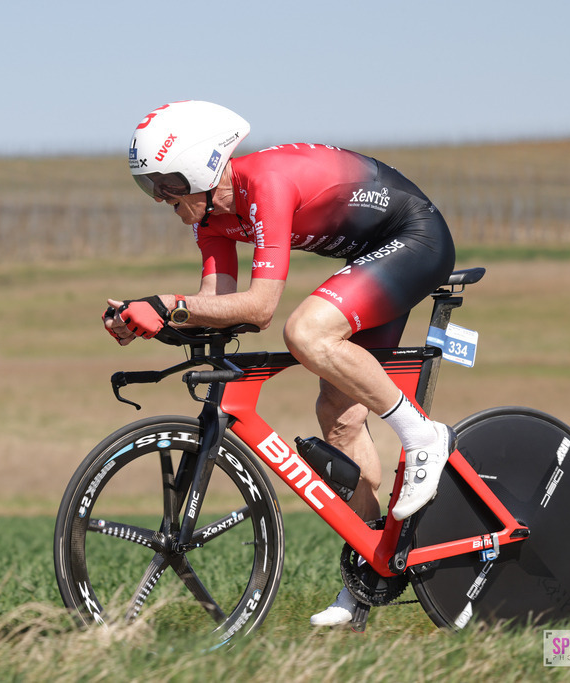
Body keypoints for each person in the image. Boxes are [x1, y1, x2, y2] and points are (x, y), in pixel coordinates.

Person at [103, 100, 456, 627]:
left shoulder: (264, 182)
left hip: (414, 239)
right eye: (148, 185)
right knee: (338, 416)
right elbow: (216, 307)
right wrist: (150, 320)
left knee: (305, 331)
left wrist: (169, 304)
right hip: (371, 254)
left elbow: (260, 307)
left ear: (201, 167)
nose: (160, 198)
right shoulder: (212, 220)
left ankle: (423, 436)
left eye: (166, 183)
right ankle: (368, 577)